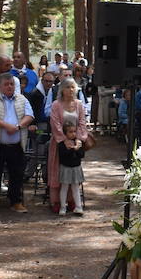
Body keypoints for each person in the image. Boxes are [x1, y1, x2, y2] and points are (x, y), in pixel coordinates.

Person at [0, 73, 34, 213]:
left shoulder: (22, 99)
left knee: (17, 174)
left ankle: (16, 202)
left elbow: (29, 116)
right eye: (6, 84)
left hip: (17, 145)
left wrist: (17, 126)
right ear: (0, 87)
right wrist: (6, 126)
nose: (10, 86)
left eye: (12, 84)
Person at [49, 78, 92, 213]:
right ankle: (57, 202)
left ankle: (72, 201)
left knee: (73, 173)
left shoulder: (79, 104)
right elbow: (55, 123)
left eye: (73, 87)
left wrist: (79, 139)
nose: (71, 90)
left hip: (75, 143)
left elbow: (82, 122)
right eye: (68, 87)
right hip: (59, 143)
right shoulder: (56, 105)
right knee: (58, 172)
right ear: (62, 90)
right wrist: (63, 139)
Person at [55, 121, 86, 217]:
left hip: (76, 167)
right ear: (65, 133)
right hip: (66, 168)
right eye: (70, 132)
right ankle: (63, 207)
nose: (73, 134)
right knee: (64, 187)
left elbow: (82, 155)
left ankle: (78, 206)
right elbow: (63, 156)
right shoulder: (62, 144)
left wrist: (77, 149)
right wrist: (72, 149)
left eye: (74, 131)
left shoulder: (78, 143)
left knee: (75, 188)